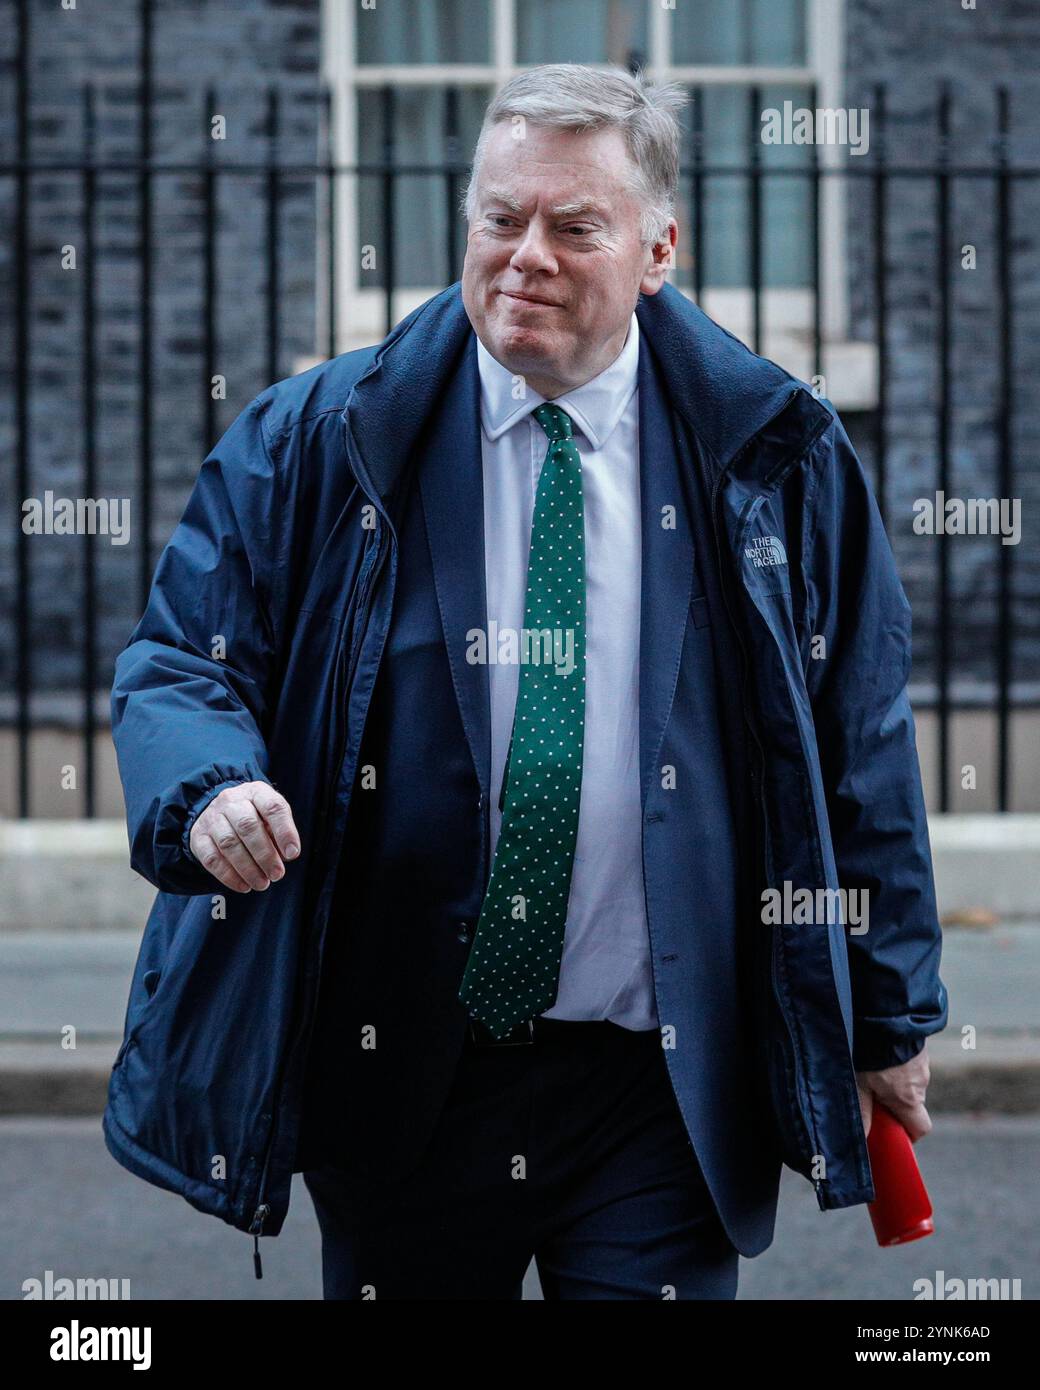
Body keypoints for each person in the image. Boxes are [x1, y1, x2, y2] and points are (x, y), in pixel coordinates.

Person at [104, 63, 947, 1300]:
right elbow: (180, 656)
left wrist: (886, 1013)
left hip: (656, 1081)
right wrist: (209, 787)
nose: (524, 256)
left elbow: (857, 743)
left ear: (658, 250)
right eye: (499, 219)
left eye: (573, 225)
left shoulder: (777, 453)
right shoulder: (318, 437)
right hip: (400, 1065)